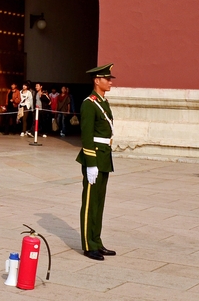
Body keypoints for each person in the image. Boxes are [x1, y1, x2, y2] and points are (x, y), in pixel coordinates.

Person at [77, 64, 117, 261]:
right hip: (94, 157)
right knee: (90, 203)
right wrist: (91, 162)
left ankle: (96, 240)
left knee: (99, 203)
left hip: (104, 157)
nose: (110, 82)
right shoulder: (89, 103)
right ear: (96, 80)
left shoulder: (103, 102)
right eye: (107, 78)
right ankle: (87, 244)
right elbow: (86, 136)